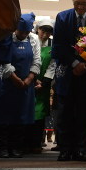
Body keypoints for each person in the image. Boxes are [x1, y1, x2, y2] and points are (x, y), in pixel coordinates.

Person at [51, 0, 86, 161]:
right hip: (67, 72)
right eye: (77, 3)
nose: (80, 7)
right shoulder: (63, 17)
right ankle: (66, 149)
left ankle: (83, 149)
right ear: (73, 0)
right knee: (66, 113)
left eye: (84, 3)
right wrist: (74, 63)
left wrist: (85, 64)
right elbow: (58, 47)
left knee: (85, 113)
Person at [0, 14, 41, 158]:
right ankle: (2, 147)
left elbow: (37, 61)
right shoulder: (7, 37)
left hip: (26, 84)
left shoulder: (33, 39)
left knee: (21, 117)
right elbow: (4, 61)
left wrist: (29, 78)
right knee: (4, 116)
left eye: (26, 32)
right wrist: (15, 78)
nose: (23, 35)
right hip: (7, 83)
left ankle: (16, 147)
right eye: (21, 32)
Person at [28, 24, 55, 153]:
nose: (45, 35)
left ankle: (36, 143)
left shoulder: (52, 45)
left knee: (40, 115)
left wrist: (43, 82)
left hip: (43, 86)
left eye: (48, 32)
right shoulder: (30, 41)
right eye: (43, 31)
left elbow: (52, 65)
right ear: (38, 29)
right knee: (27, 112)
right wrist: (32, 79)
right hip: (28, 83)